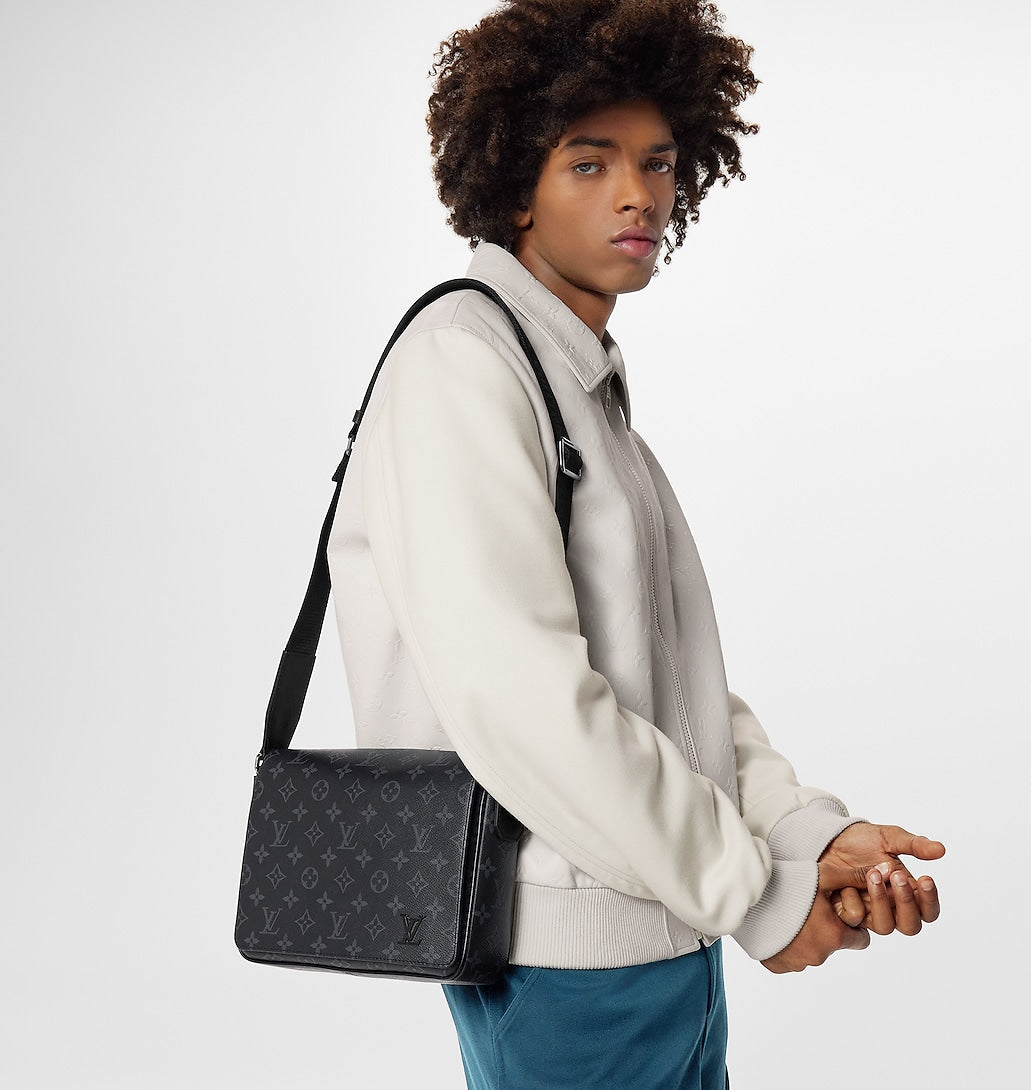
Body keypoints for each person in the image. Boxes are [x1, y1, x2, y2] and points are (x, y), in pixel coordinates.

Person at [327, 1, 944, 1086]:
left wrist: (801, 836)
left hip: (653, 938)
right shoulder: (465, 365)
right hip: (569, 966)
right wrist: (759, 892)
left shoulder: (573, 381)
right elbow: (523, 704)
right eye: (590, 161)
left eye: (658, 162)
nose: (638, 194)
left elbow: (661, 684)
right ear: (515, 183)